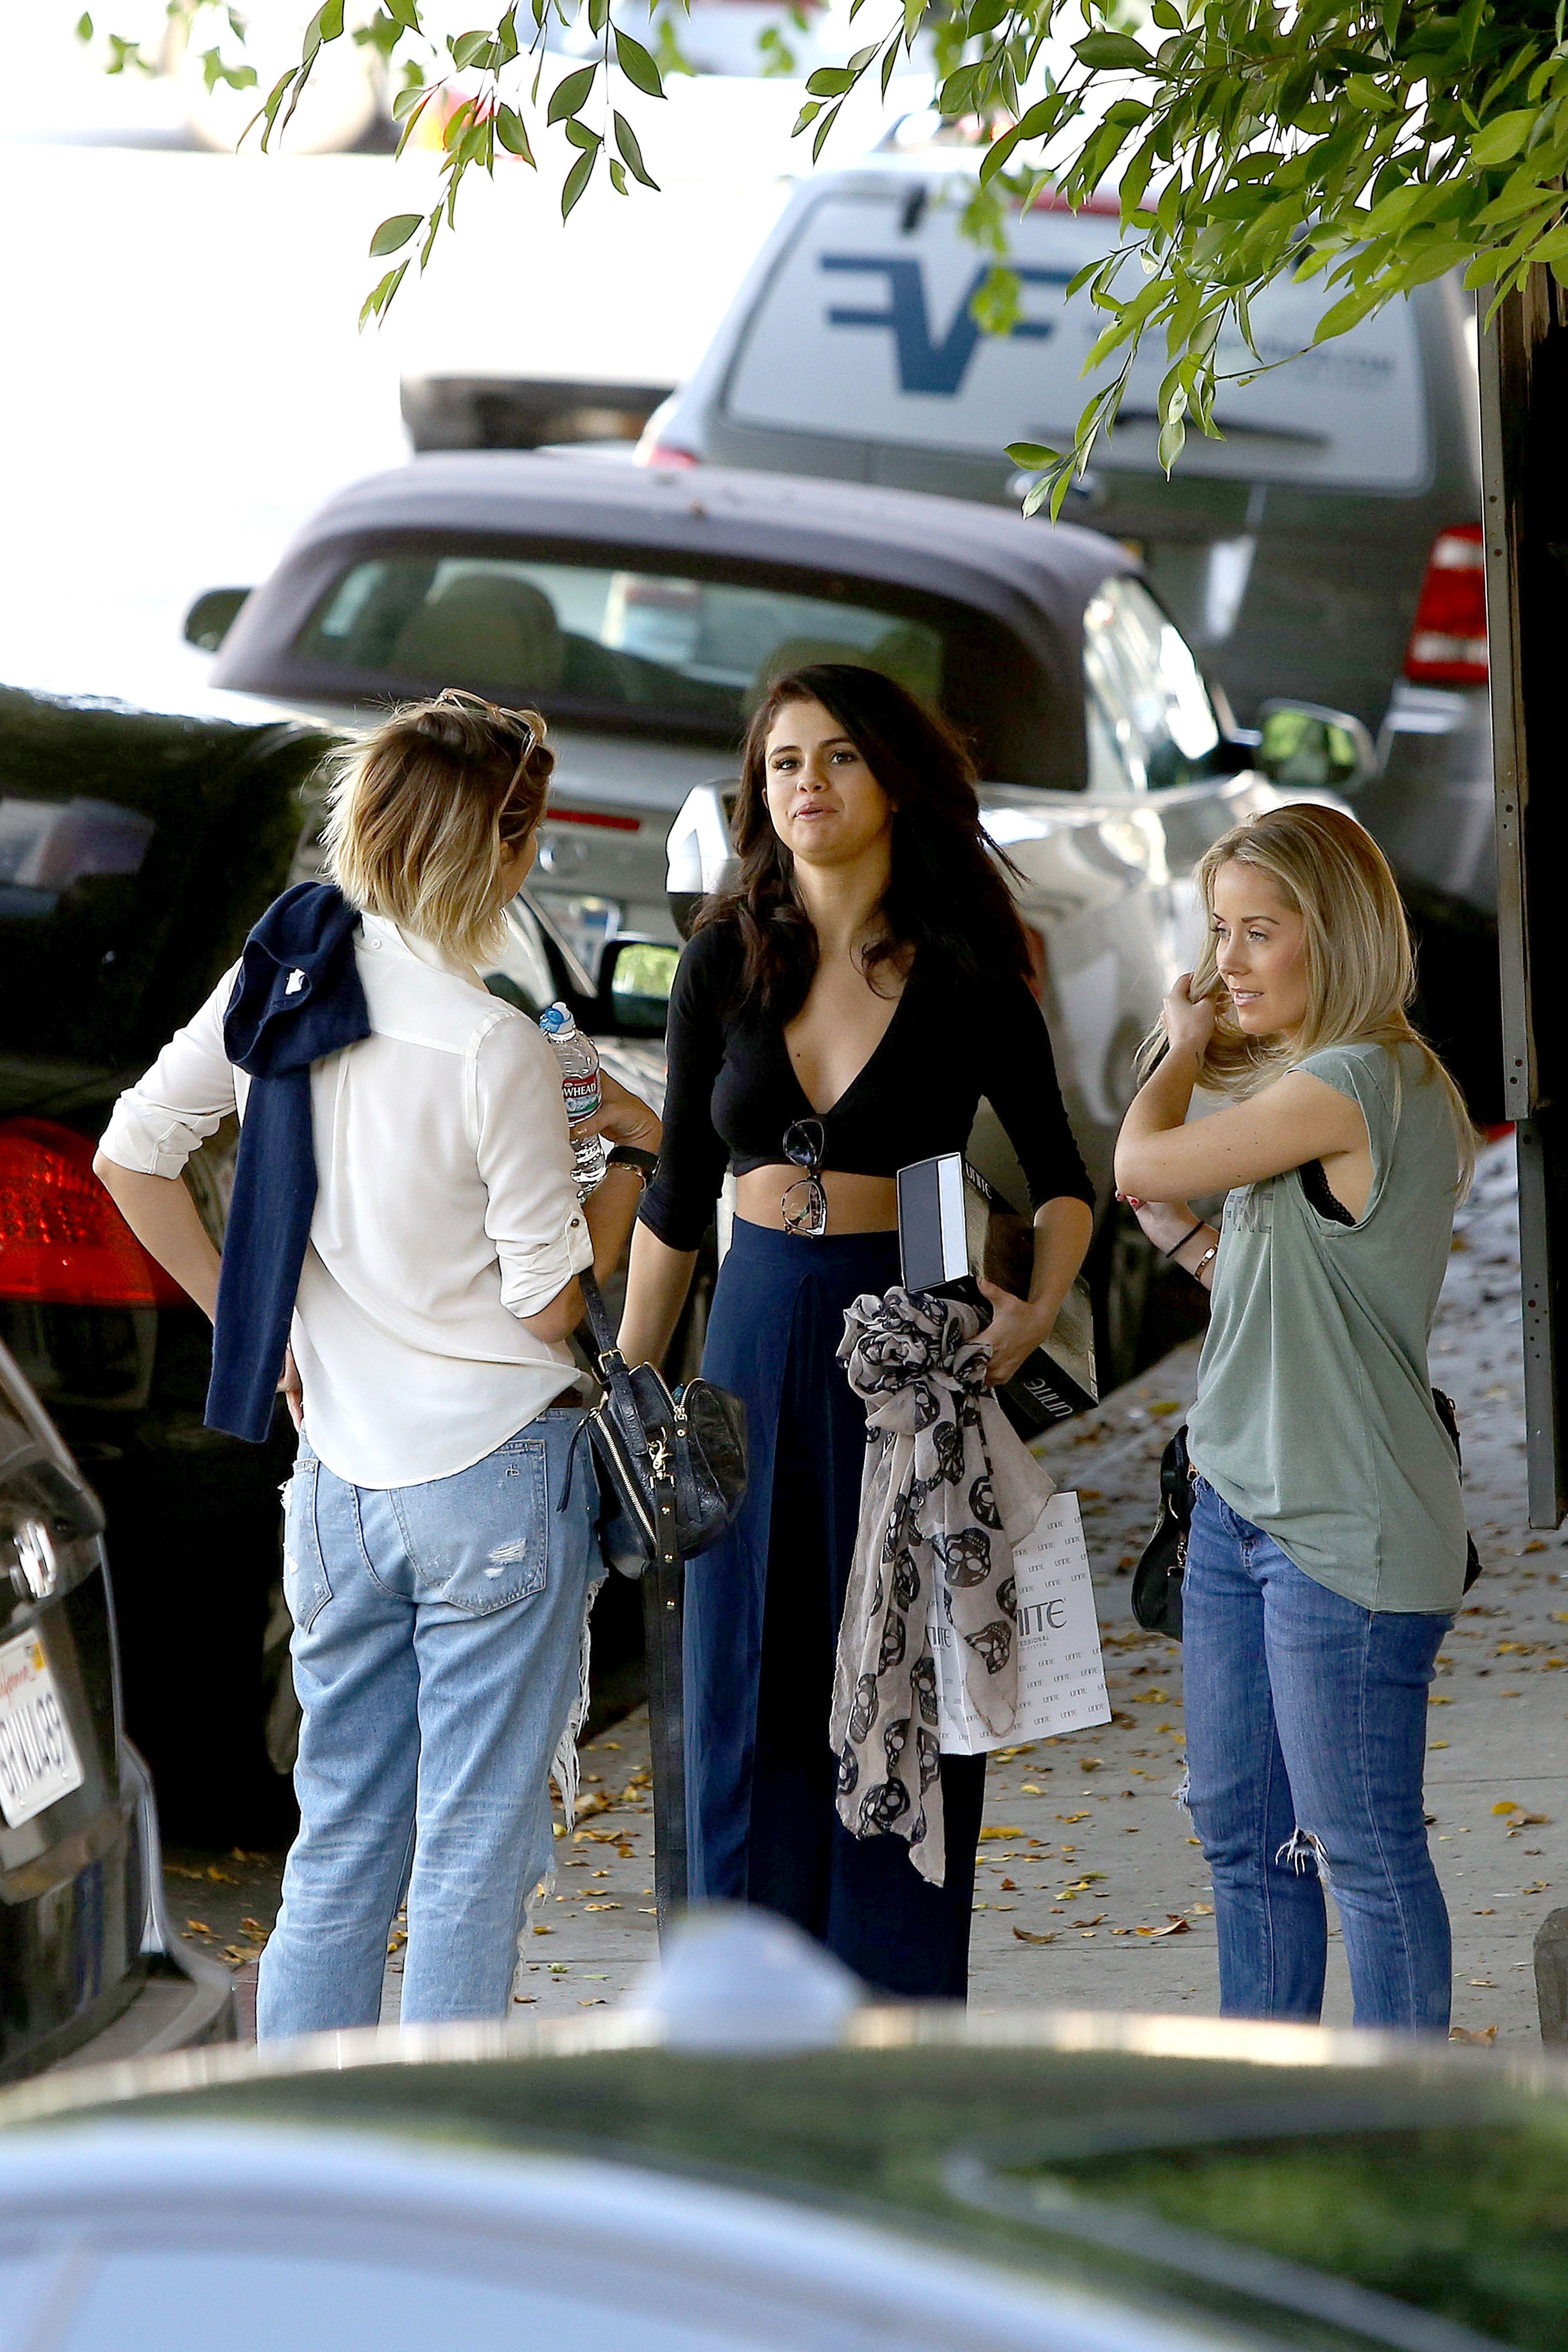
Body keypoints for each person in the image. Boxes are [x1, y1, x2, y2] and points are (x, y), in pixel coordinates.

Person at [94, 691, 661, 2034]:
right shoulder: (494, 1047)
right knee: (473, 1850)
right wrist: (632, 1164)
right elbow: (547, 1305)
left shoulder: (279, 982)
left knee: (339, 1841)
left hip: (339, 1479)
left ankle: (297, 2156)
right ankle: (430, 2164)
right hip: (495, 1482)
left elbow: (134, 1157)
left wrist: (258, 1322)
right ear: (499, 851)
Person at [616, 663, 1095, 1998]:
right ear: (757, 792)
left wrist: (1034, 1308)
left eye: (836, 759)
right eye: (783, 764)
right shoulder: (722, 956)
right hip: (755, 1343)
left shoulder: (969, 972)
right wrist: (630, 1398)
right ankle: (743, 2016)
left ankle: (893, 2015)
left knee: (909, 1681)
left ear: (892, 782)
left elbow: (1062, 1178)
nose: (808, 786)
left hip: (912, 1358)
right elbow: (671, 1196)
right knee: (745, 1687)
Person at [1114, 801, 1473, 2035]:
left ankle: (1395, 2147)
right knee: (1245, 1848)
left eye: (1257, 933)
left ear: (1340, 934)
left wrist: (1177, 1045)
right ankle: (1268, 2129)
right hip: (1237, 1513)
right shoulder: (1307, 1090)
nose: (1226, 965)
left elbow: (1140, 1161)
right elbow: (1261, 1275)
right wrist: (1193, 1238)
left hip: (1345, 1534)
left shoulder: (1357, 1080)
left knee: (1363, 1858)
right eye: (1219, 934)